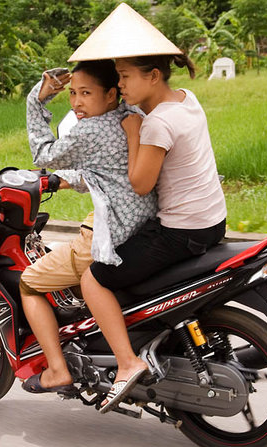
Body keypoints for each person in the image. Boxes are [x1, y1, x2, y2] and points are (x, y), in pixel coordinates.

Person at [80, 53, 227, 413]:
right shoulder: (187, 99)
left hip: (180, 231)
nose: (120, 84)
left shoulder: (157, 123)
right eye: (117, 76)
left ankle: (128, 362)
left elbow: (141, 184)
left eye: (126, 76)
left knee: (94, 280)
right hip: (213, 222)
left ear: (154, 75)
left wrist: (133, 133)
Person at [20, 60, 157, 394]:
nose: (76, 102)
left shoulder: (90, 130)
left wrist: (36, 100)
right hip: (144, 228)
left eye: (86, 93)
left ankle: (56, 370)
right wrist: (66, 181)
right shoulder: (131, 115)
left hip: (108, 234)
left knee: (29, 282)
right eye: (72, 93)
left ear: (111, 93)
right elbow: (107, 170)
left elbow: (43, 155)